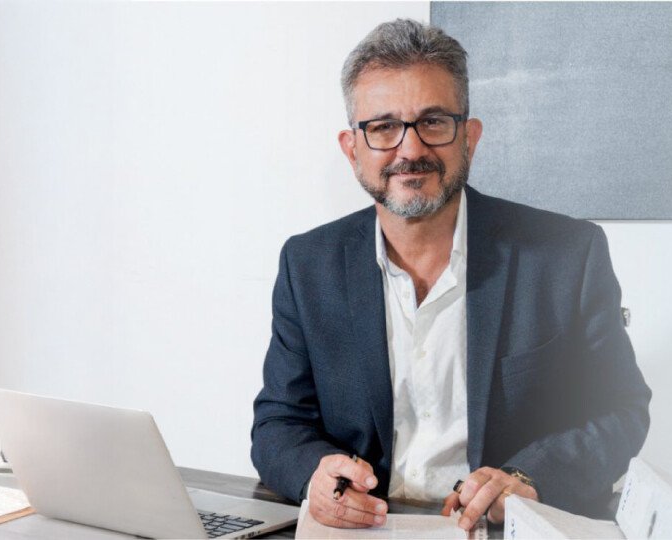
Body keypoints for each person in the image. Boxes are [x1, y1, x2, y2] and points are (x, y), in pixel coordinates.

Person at [251, 18, 651, 531]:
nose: (410, 149)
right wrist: (314, 473)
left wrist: (529, 478)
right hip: (363, 530)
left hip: (499, 531)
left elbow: (621, 409)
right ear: (352, 149)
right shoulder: (308, 264)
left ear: (470, 138)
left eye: (434, 122)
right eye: (383, 127)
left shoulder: (565, 256)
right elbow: (278, 422)